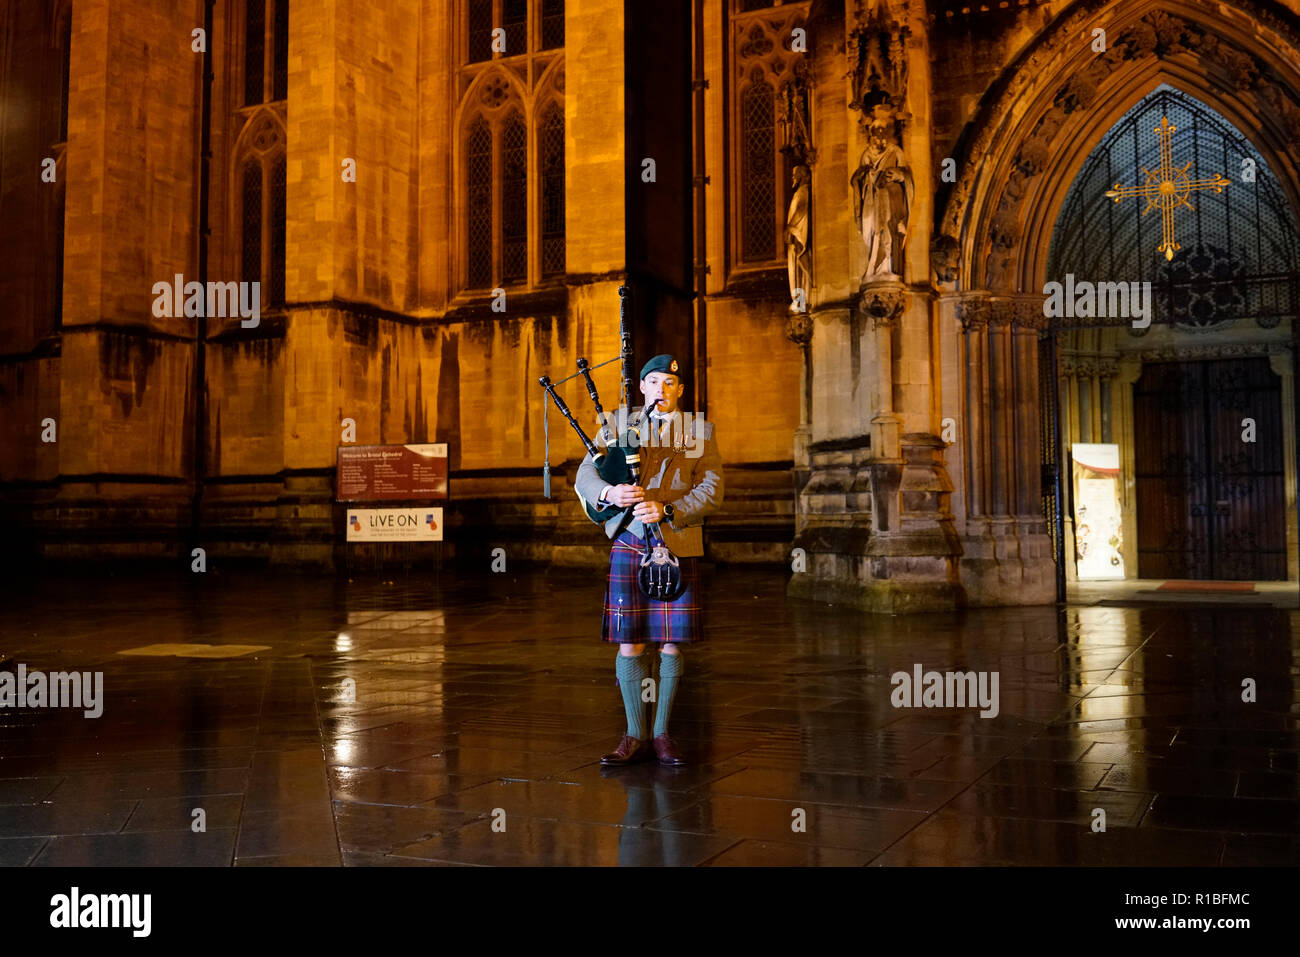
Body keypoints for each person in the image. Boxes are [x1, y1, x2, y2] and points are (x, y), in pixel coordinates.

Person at [575, 354, 723, 767]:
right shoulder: (621, 425)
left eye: (670, 383)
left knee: (672, 643)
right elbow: (585, 475)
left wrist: (670, 510)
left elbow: (713, 489)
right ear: (642, 387)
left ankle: (662, 735)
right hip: (631, 539)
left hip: (677, 543)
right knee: (631, 640)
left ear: (680, 389)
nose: (662, 389)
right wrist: (610, 494)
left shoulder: (698, 430)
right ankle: (633, 735)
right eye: (654, 381)